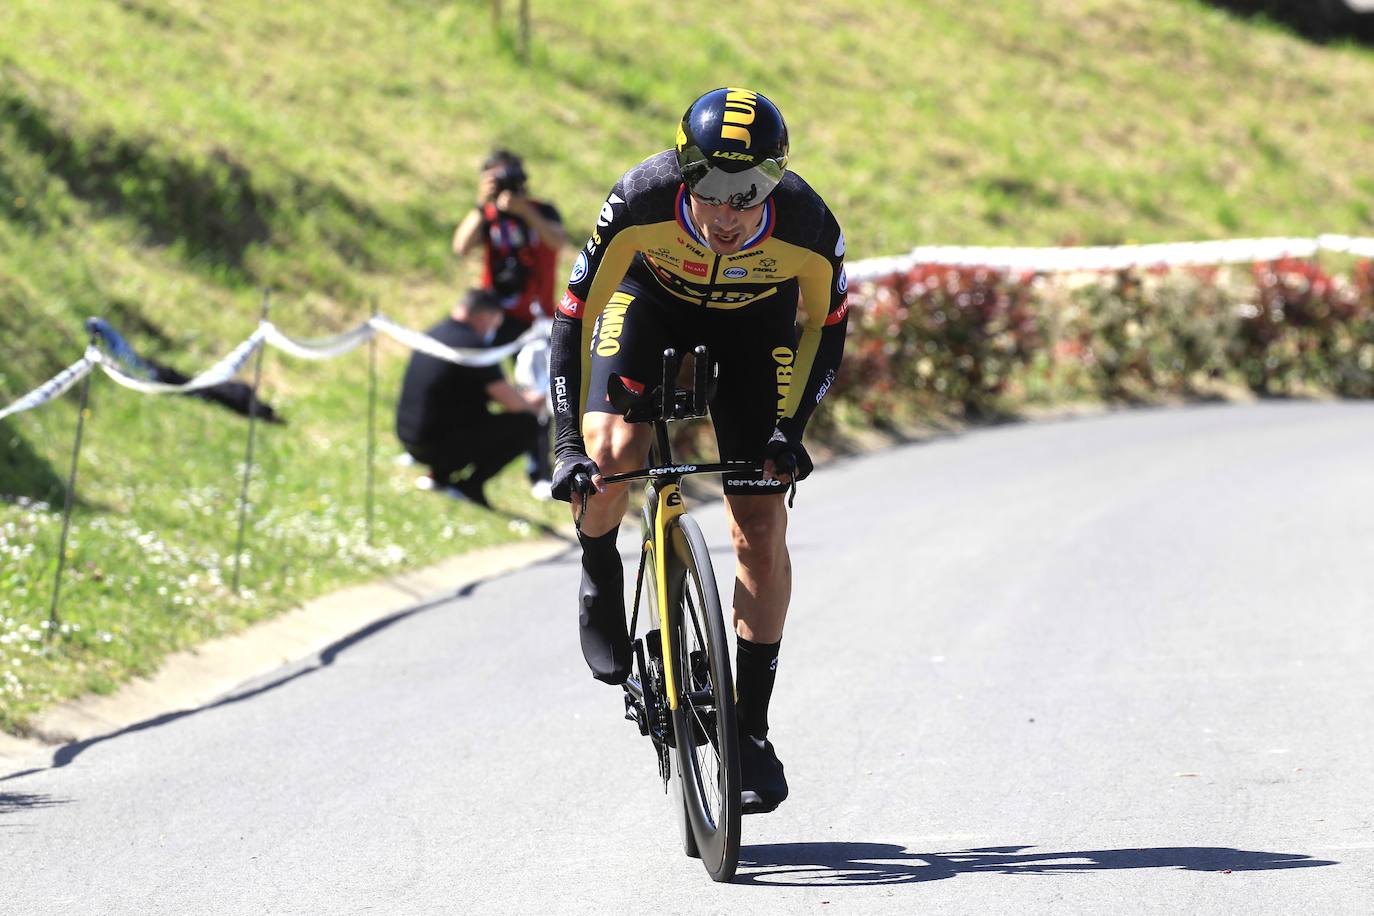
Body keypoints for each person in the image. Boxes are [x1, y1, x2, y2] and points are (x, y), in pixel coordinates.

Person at [546, 88, 850, 814]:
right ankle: (599, 568)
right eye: (709, 189)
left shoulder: (808, 224)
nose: (726, 214)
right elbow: (575, 312)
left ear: (775, 183)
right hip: (648, 305)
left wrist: (790, 432)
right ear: (683, 173)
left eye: (747, 195)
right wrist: (566, 444)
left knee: (761, 526)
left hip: (755, 326)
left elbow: (827, 323)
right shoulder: (641, 198)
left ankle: (750, 728)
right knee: (611, 453)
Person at [452, 149, 567, 494]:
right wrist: (482, 205)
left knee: (538, 393)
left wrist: (524, 211)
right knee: (478, 383)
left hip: (535, 320)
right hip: (494, 318)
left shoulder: (541, 210)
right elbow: (461, 246)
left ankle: (540, 472)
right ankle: (465, 454)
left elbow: (557, 241)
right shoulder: (487, 216)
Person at [395, 288, 546, 508]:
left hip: (409, 438)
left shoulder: (435, 332)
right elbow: (512, 403)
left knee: (471, 411)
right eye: (495, 324)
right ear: (485, 316)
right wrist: (533, 402)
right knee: (528, 424)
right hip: (436, 444)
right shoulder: (473, 347)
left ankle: (440, 476)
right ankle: (470, 486)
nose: (493, 330)